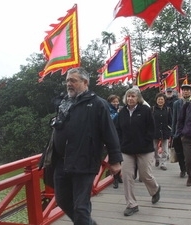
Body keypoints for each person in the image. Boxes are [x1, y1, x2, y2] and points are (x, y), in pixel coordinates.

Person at [52, 67, 123, 225]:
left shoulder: (98, 104)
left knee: (81, 207)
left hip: (85, 161)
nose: (69, 84)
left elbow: (110, 133)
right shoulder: (64, 103)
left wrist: (115, 160)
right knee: (62, 200)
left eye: (73, 81)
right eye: (67, 81)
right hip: (62, 161)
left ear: (85, 82)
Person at [116, 87, 161, 216]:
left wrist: (145, 141)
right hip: (126, 150)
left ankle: (155, 190)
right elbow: (117, 129)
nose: (130, 99)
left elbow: (152, 129)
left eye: (133, 96)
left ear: (138, 98)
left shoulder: (145, 110)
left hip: (144, 149)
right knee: (127, 176)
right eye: (128, 96)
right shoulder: (122, 112)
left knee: (144, 175)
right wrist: (120, 143)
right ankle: (131, 204)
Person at [171, 84, 191, 178]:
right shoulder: (176, 103)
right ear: (181, 92)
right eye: (184, 90)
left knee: (190, 153)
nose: (186, 92)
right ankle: (182, 169)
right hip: (179, 131)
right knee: (179, 153)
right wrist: (173, 133)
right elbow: (174, 119)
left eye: (188, 90)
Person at [152, 92, 172, 170]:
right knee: (154, 147)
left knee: (165, 149)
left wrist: (169, 129)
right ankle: (157, 159)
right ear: (156, 100)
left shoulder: (167, 109)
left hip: (165, 131)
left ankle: (163, 163)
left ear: (164, 100)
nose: (160, 101)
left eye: (162, 99)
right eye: (159, 99)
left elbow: (171, 120)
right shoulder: (152, 109)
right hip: (155, 131)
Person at [107, 94, 123, 189]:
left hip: (119, 136)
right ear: (110, 102)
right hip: (111, 137)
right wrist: (118, 114)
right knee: (113, 158)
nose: (116, 103)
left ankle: (118, 176)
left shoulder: (117, 110)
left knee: (119, 157)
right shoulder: (108, 110)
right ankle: (115, 179)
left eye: (117, 101)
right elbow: (111, 120)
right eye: (114, 101)